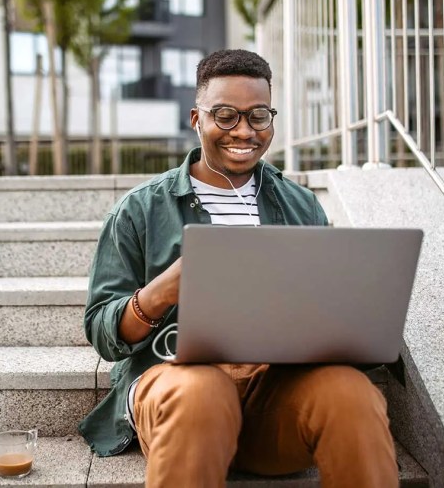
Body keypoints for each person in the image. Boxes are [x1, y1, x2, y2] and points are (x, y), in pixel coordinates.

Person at [78, 49, 397, 487]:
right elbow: (101, 331)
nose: (244, 130)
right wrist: (164, 289)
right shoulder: (140, 209)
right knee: (203, 394)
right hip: (179, 387)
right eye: (225, 115)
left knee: (352, 394)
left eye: (259, 115)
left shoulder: (302, 206)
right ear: (197, 119)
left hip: (275, 393)